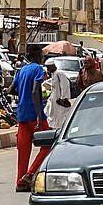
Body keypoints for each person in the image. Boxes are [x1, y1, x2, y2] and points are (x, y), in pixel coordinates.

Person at [13, 48, 49, 192]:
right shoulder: (38, 69)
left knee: (23, 151)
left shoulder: (21, 70)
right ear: (37, 56)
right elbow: (35, 90)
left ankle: (20, 182)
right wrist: (39, 115)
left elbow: (11, 89)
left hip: (21, 115)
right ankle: (30, 174)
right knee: (48, 144)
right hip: (34, 115)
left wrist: (23, 94)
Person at [45, 59, 73, 130]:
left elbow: (65, 86)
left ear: (52, 66)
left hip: (59, 100)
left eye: (48, 67)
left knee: (61, 116)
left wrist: (63, 98)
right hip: (54, 99)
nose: (48, 69)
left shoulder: (60, 73)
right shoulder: (53, 74)